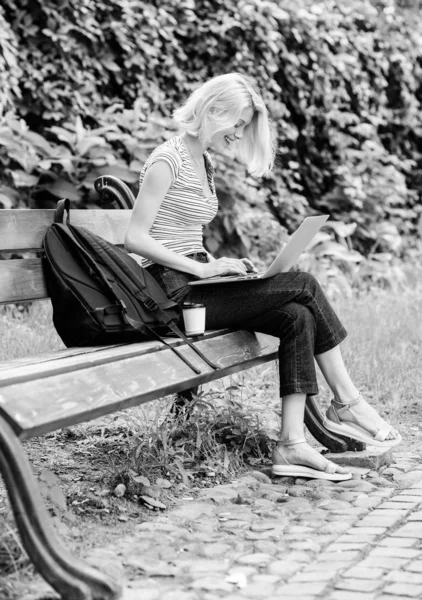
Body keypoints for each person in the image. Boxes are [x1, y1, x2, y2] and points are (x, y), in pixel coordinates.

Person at [125, 72, 401, 481]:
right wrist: (202, 268)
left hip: (197, 282)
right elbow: (135, 238)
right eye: (237, 123)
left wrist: (224, 267)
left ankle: (291, 443)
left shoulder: (203, 161)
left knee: (296, 315)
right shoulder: (168, 159)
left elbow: (181, 234)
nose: (239, 134)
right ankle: (347, 400)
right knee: (304, 284)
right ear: (212, 111)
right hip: (172, 293)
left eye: (244, 127)